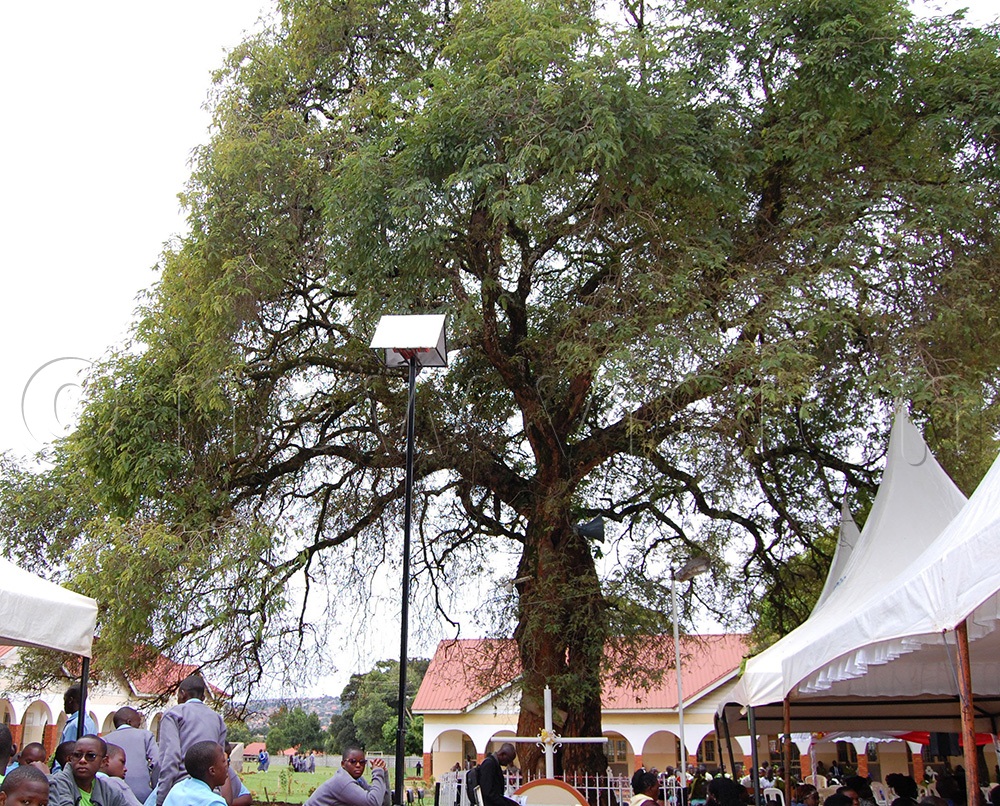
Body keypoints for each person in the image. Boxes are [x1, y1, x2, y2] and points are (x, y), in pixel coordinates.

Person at [156, 675, 227, 806]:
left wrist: (161, 799)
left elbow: (170, 758)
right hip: (210, 791)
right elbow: (220, 761)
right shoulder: (217, 719)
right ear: (203, 698)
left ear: (182, 694)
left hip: (179, 792)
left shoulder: (174, 714)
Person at [48, 736, 132, 806]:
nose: (82, 760)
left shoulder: (110, 791)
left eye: (91, 756)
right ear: (70, 759)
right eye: (77, 755)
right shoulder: (56, 784)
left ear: (103, 762)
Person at [103, 708, 159, 804]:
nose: (139, 726)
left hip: (114, 793)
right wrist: (155, 787)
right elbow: (157, 761)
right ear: (129, 722)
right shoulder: (146, 735)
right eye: (138, 724)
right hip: (143, 795)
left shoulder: (105, 740)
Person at [304, 747, 389, 806]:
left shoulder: (359, 780)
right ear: (343, 764)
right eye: (353, 761)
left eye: (362, 762)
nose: (358, 765)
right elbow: (373, 803)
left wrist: (384, 774)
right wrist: (377, 772)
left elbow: (384, 802)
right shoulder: (342, 781)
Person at [162, 743, 228, 806]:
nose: (227, 764)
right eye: (223, 761)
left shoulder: (178, 788)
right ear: (212, 771)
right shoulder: (213, 802)